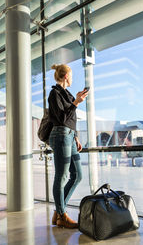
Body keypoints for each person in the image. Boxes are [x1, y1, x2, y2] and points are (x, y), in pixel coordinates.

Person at [48, 64, 89, 228]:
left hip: (70, 137)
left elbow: (71, 120)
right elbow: (62, 118)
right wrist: (76, 103)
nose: (72, 79)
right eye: (71, 76)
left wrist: (76, 137)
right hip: (60, 135)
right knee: (62, 176)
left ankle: (59, 211)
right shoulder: (55, 93)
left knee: (78, 175)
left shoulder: (67, 94)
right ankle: (62, 215)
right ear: (66, 76)